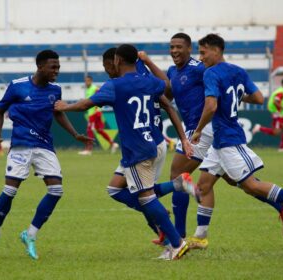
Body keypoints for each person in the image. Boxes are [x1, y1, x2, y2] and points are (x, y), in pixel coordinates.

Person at [146, 33, 283, 249]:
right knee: (236, 182)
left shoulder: (202, 69)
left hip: (205, 130)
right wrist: (148, 64)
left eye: (179, 47)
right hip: (202, 130)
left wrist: (200, 125)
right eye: (171, 47)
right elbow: (167, 88)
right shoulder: (174, 71)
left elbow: (219, 88)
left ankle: (178, 236)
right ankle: (280, 206)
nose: (174, 51)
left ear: (189, 49)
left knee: (177, 175)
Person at [55, 44, 191, 260]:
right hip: (148, 142)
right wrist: (147, 62)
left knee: (146, 198)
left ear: (117, 60)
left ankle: (176, 243)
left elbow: (84, 105)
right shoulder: (149, 82)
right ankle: (175, 190)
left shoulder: (115, 86)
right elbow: (166, 88)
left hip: (137, 149)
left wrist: (64, 106)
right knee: (115, 189)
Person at [0, 50, 92, 260]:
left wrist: (75, 134)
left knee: (56, 190)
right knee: (10, 190)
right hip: (22, 145)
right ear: (40, 67)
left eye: (58, 67)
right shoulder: (18, 86)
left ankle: (30, 234)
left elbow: (57, 113)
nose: (56, 71)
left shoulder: (55, 90)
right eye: (53, 67)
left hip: (44, 145)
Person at [191, 33, 283, 246]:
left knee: (251, 186)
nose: (200, 57)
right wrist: (236, 97)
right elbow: (257, 98)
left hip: (229, 138)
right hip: (219, 142)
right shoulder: (238, 71)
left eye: (203, 52)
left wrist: (199, 130)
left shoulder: (210, 73)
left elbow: (211, 106)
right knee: (203, 185)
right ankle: (200, 237)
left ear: (216, 50)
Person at [78, 75, 119, 155]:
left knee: (89, 130)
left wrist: (97, 110)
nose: (86, 82)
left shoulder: (94, 88)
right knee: (99, 130)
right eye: (85, 81)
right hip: (92, 113)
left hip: (95, 113)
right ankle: (113, 144)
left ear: (91, 81)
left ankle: (89, 150)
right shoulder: (88, 90)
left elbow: (99, 99)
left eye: (88, 81)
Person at [253, 78, 283, 152]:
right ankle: (259, 128)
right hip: (277, 113)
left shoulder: (282, 91)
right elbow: (275, 101)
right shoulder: (281, 92)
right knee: (276, 132)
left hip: (281, 113)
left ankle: (282, 148)